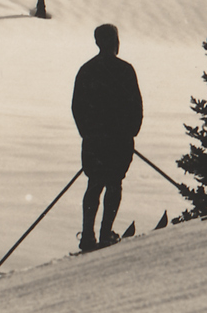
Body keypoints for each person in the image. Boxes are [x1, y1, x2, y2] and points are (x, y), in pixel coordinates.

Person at [71, 23, 142, 252]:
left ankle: (88, 236)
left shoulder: (86, 70)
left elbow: (77, 107)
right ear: (115, 41)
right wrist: (130, 132)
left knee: (94, 184)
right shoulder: (125, 70)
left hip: (94, 141)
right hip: (118, 140)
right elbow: (136, 106)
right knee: (113, 184)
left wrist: (88, 133)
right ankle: (104, 234)